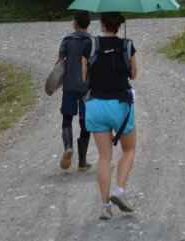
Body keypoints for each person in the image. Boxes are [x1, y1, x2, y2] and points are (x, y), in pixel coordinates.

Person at [81, 12, 138, 220]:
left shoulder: (90, 46)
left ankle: (105, 206)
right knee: (129, 149)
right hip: (120, 106)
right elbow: (133, 74)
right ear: (119, 25)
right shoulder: (127, 45)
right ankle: (119, 190)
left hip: (96, 105)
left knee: (104, 157)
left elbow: (83, 78)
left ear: (101, 23)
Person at [49, 10, 92, 171]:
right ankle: (82, 162)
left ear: (75, 23)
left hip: (69, 87)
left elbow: (60, 65)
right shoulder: (93, 41)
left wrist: (51, 86)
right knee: (84, 121)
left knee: (67, 118)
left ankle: (68, 146)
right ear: (88, 24)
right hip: (86, 88)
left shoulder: (67, 39)